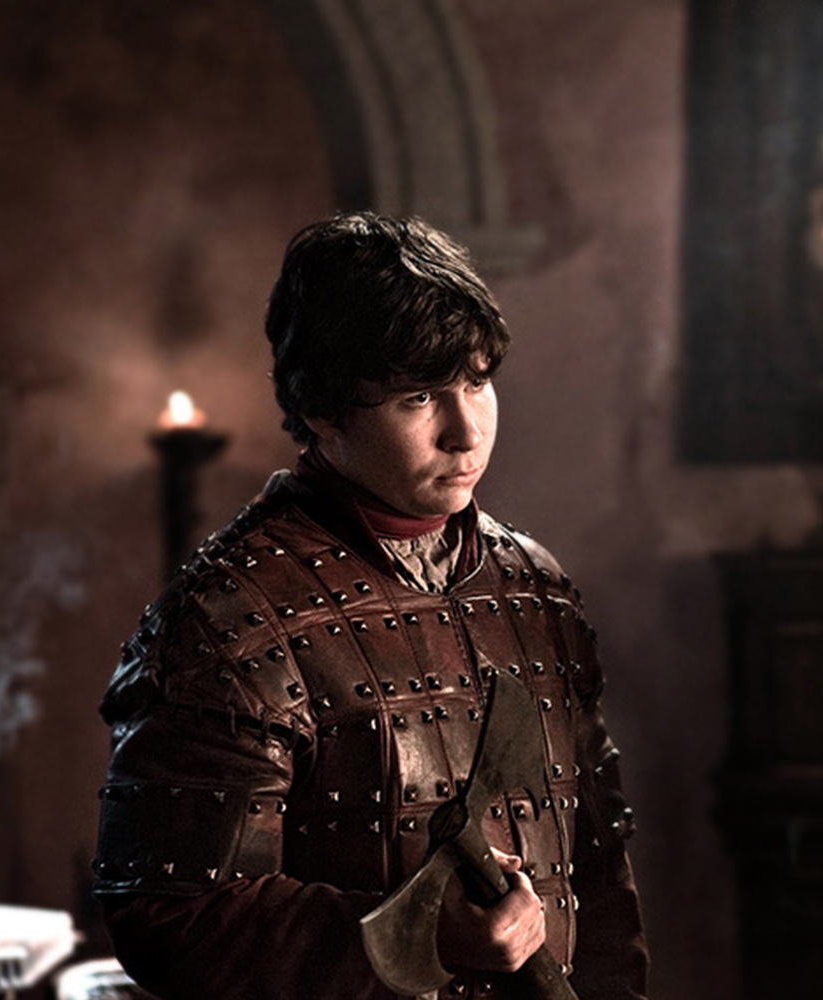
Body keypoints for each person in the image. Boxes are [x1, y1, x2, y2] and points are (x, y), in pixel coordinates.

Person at [93, 213, 647, 1000]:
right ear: (323, 408)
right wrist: (420, 934)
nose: (466, 432)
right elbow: (170, 916)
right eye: (418, 397)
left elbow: (598, 869)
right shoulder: (230, 621)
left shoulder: (534, 587)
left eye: (477, 382)